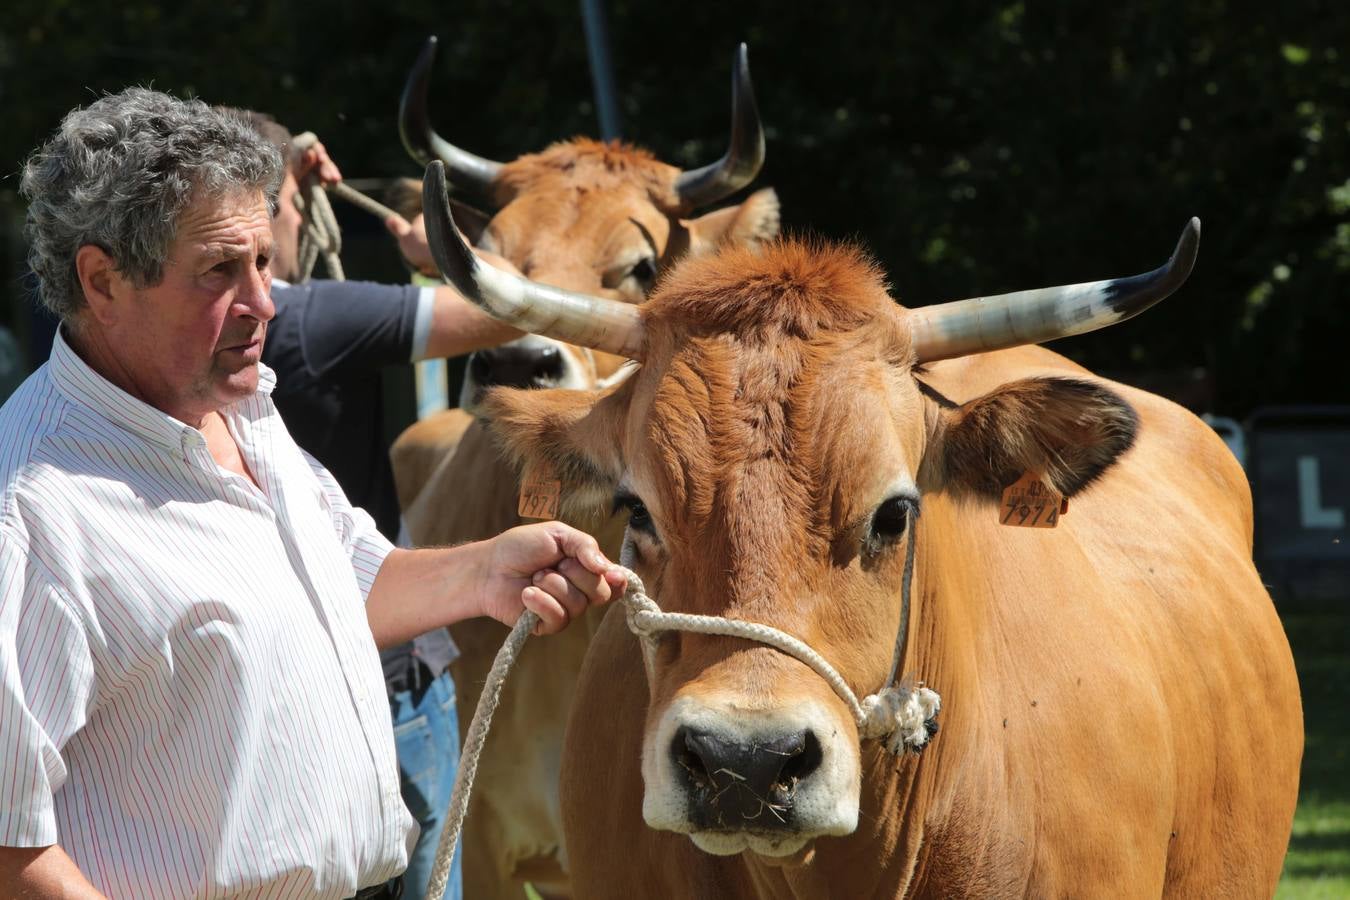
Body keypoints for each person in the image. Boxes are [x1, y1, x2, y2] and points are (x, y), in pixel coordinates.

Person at [0, 87, 624, 899]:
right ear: (103, 281)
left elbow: (342, 581)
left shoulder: (242, 405)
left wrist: (484, 573)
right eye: (220, 270)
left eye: (263, 261)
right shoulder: (30, 512)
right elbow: (11, 852)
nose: (264, 302)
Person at [238, 110, 509, 900]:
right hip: (390, 682)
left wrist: (289, 165)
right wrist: (453, 256)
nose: (299, 218)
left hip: (275, 693)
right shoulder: (315, 322)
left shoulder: (191, 350)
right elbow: (505, 311)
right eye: (291, 203)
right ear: (265, 213)